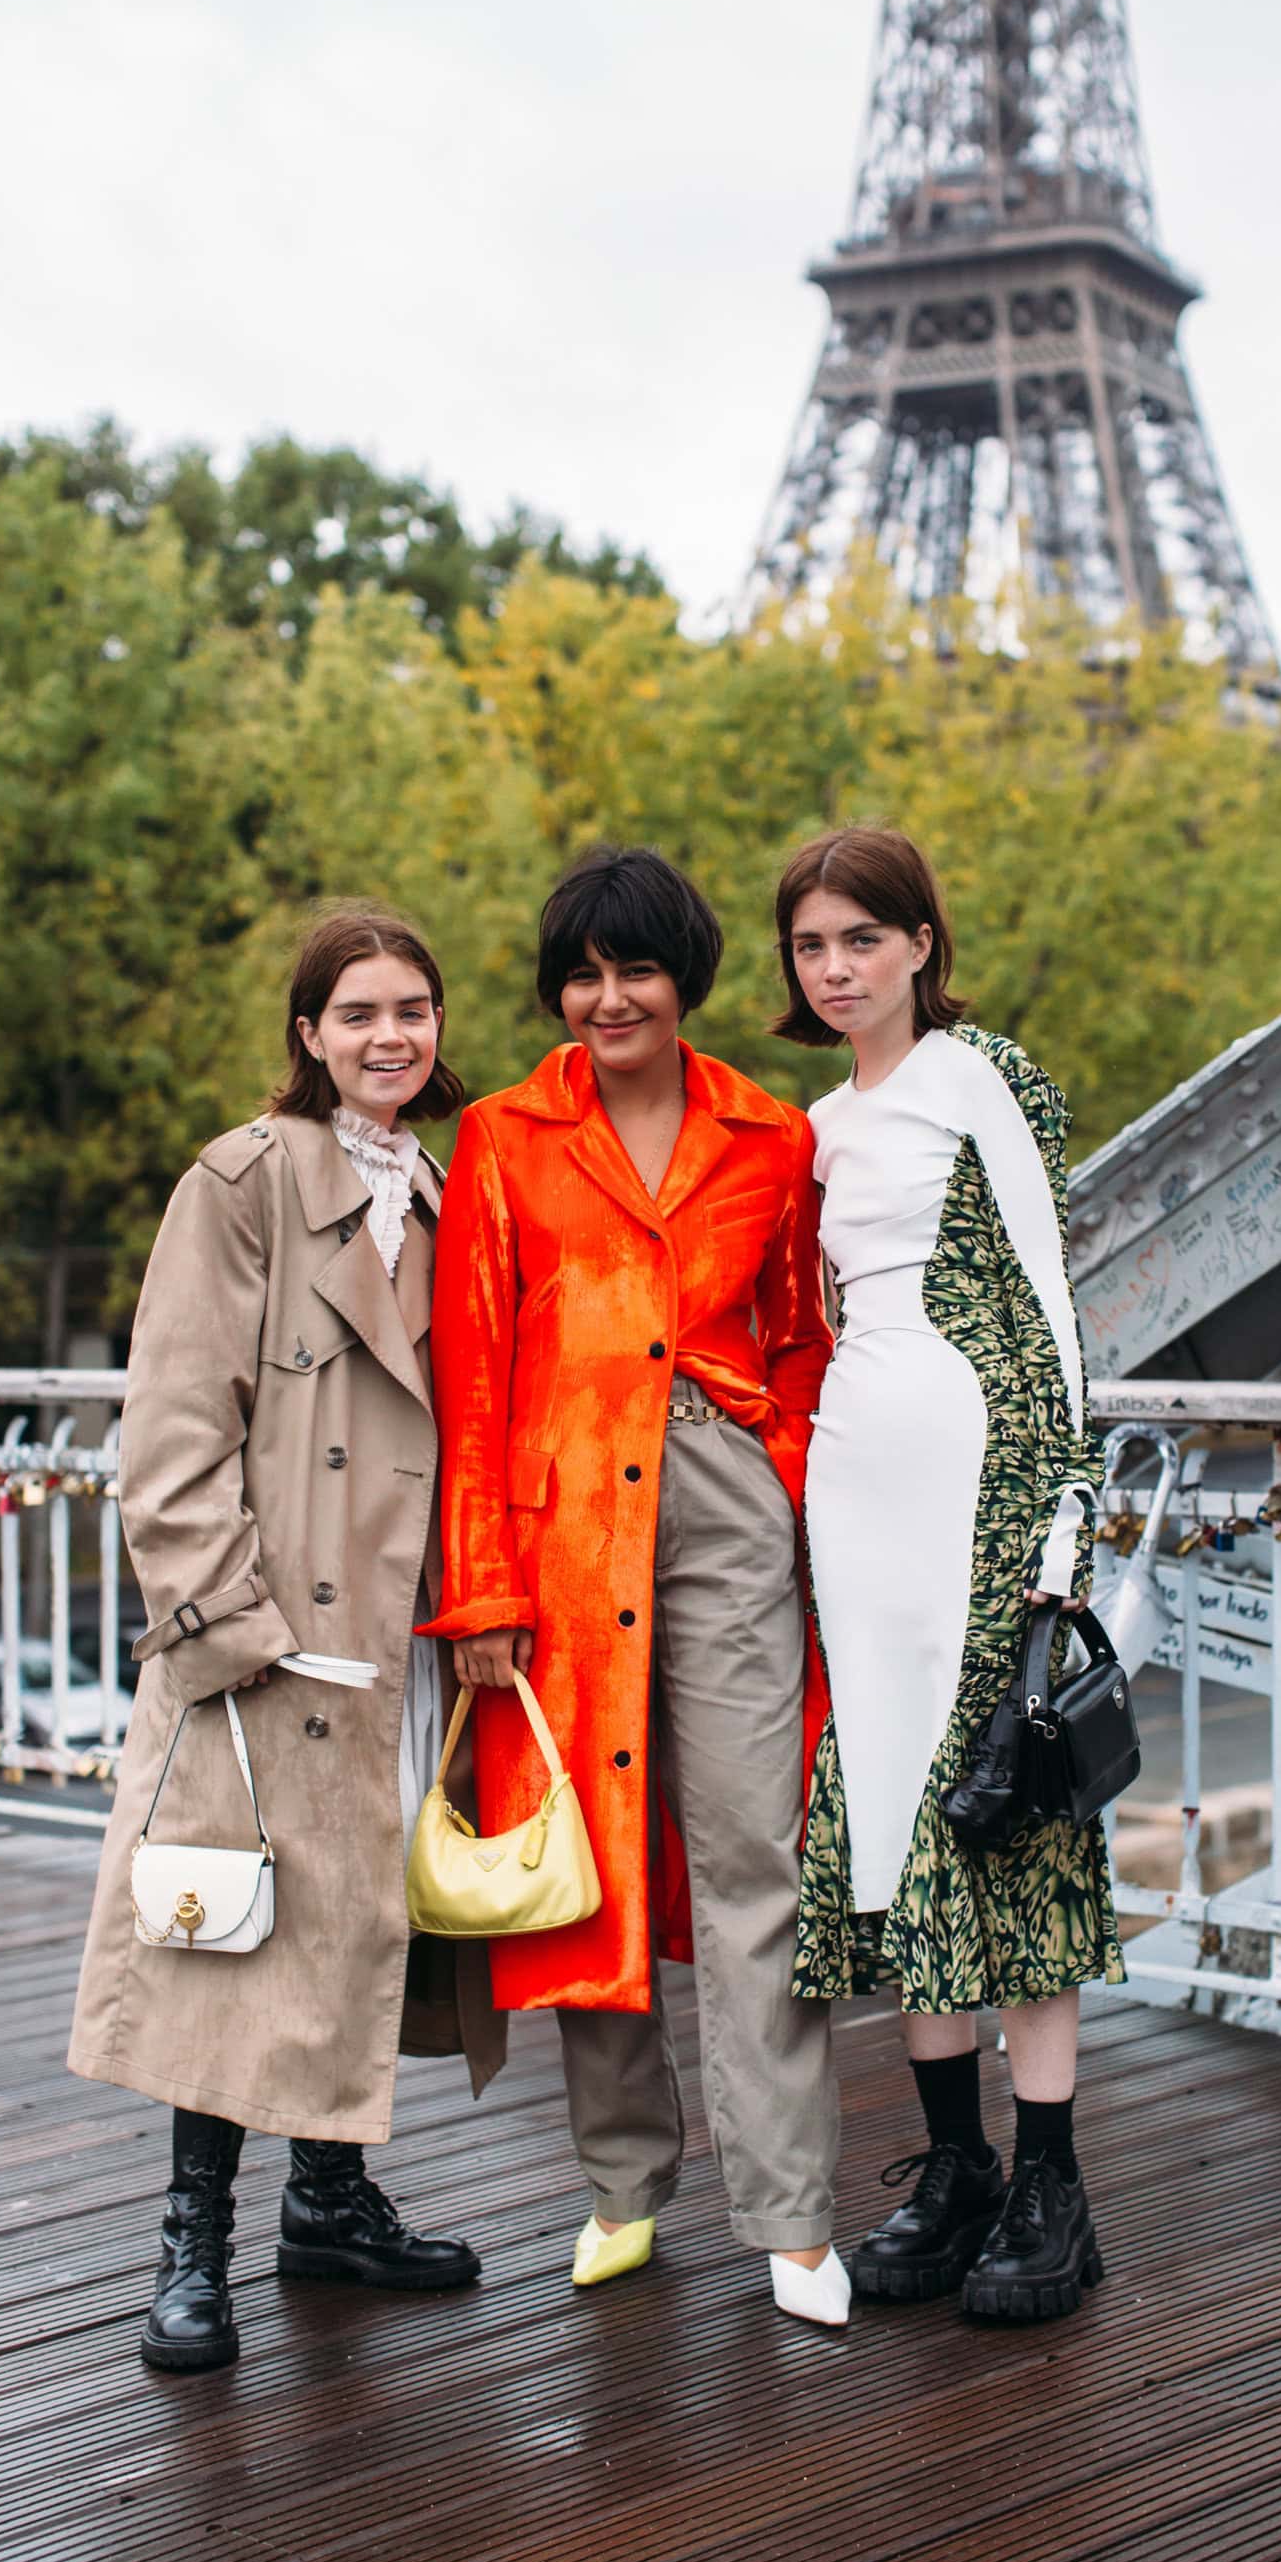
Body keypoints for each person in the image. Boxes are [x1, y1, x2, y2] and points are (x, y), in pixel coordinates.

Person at [68, 908, 505, 2373]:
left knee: (356, 1912)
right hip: (269, 1636)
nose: (391, 1036)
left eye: (414, 1010)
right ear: (309, 1033)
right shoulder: (243, 1180)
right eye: (359, 1012)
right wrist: (219, 1620)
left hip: (398, 1628)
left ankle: (328, 2205)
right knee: (228, 1927)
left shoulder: (446, 1194)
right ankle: (191, 2245)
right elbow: (173, 1424)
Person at [419, 845, 848, 2325]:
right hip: (557, 1539)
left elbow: (798, 1337)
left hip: (723, 1507)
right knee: (584, 1862)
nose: (610, 1000)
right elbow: (473, 1378)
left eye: (637, 971)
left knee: (754, 1851)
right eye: (584, 976)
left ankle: (791, 2214)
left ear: (686, 981)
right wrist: (480, 1592)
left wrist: (779, 1471)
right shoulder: (503, 1136)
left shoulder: (771, 1135)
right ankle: (621, 2182)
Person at [776, 825, 1125, 2325]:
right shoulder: (815, 1122)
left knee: (1006, 1807)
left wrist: (1066, 1522)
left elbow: (1051, 1300)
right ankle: (956, 2169)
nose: (836, 967)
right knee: (894, 1809)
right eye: (811, 945)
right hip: (858, 1485)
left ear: (921, 943)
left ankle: (1052, 2186)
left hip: (984, 1490)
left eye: (863, 937)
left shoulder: (979, 1078)